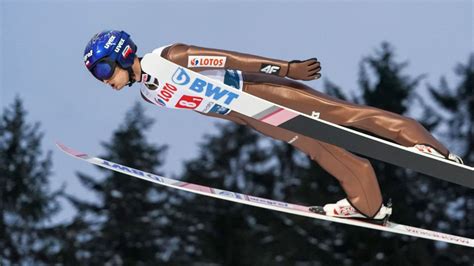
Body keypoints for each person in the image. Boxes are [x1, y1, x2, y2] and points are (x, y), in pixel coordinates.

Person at [83, 30, 463, 223]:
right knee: (318, 148)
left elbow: (230, 58)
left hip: (261, 88)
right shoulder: (151, 95)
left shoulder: (169, 58)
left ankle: (434, 151)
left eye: (102, 68)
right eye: (95, 74)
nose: (102, 79)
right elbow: (205, 106)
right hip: (252, 111)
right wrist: (246, 118)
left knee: (343, 115)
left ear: (122, 54)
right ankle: (370, 205)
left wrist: (285, 69)